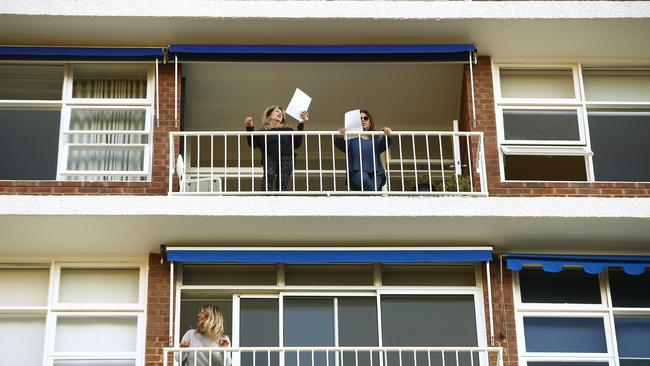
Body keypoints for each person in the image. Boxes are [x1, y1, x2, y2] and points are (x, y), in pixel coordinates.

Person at [244, 106, 309, 191]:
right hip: (269, 158)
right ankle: (266, 200)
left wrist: (301, 123)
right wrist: (249, 128)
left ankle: (280, 201)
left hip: (287, 158)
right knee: (268, 178)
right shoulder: (262, 132)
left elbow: (297, 144)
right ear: (269, 115)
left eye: (281, 113)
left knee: (283, 182)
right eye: (277, 111)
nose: (280, 113)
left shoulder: (288, 130)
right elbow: (252, 143)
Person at [335, 110, 392, 191]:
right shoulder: (351, 138)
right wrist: (340, 136)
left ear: (370, 122)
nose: (362, 120)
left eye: (365, 118)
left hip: (377, 172)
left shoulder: (375, 138)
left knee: (372, 192)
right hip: (356, 172)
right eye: (359, 118)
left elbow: (384, 144)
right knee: (370, 187)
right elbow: (341, 145)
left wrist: (387, 134)